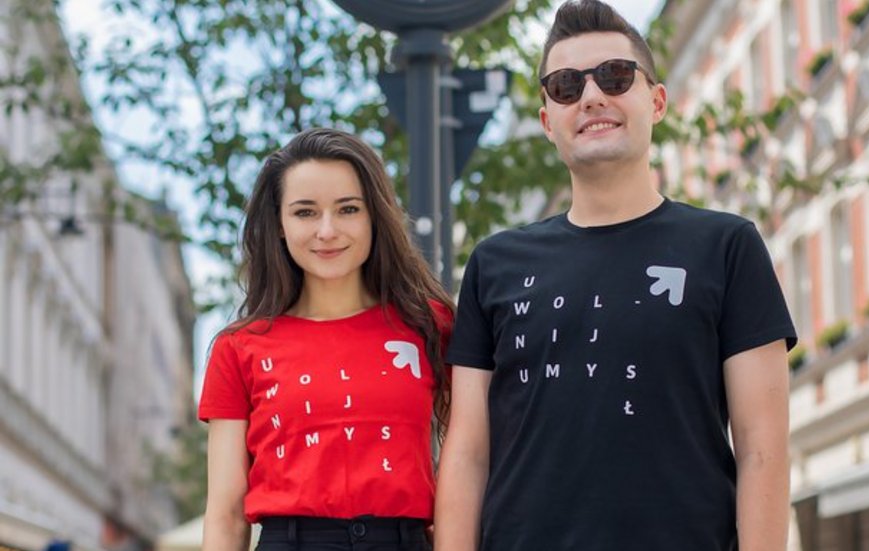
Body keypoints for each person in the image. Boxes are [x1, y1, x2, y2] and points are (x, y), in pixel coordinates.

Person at [434, 1, 797, 550]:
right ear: (546, 121)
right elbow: (466, 455)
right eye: (565, 85)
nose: (592, 96)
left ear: (656, 102)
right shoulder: (493, 264)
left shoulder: (728, 247)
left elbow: (761, 447)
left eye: (615, 75)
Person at [199, 128, 453, 551]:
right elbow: (225, 514)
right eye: (305, 213)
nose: (328, 230)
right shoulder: (239, 348)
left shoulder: (430, 325)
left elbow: (471, 458)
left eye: (348, 209)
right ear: (278, 225)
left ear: (375, 215)